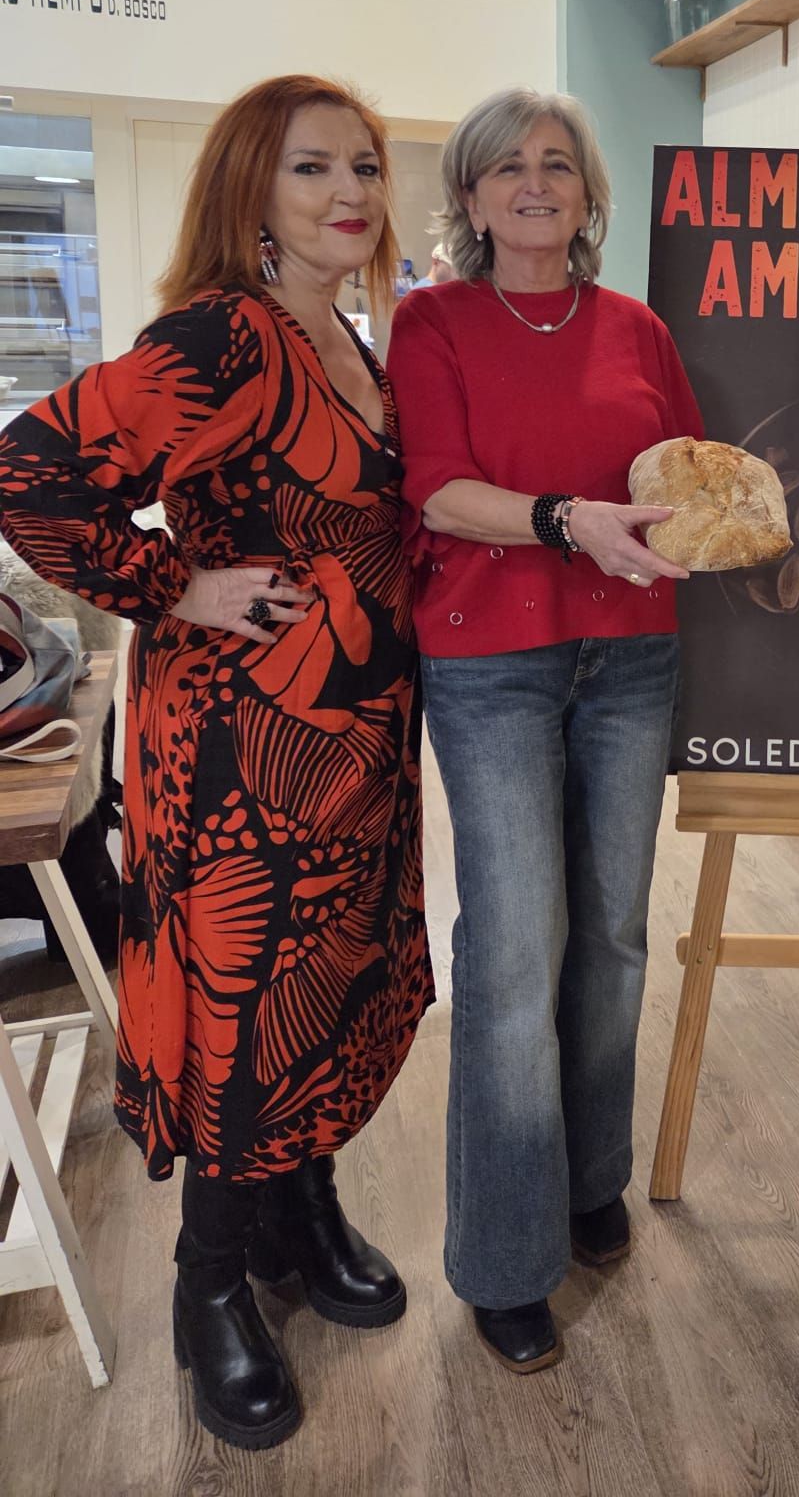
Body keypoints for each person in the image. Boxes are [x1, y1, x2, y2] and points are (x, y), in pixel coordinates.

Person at [0, 75, 434, 1448]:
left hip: (355, 736)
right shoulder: (224, 337)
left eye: (363, 165)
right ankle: (208, 1286)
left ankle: (300, 1215)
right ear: (253, 191)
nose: (350, 193)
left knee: (334, 978)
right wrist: (174, 586)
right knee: (249, 997)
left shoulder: (357, 336)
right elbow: (27, 471)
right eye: (312, 170)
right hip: (242, 739)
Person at [386, 86, 702, 1375]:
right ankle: (509, 1257)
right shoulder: (432, 318)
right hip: (493, 663)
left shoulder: (637, 326)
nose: (534, 184)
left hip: (633, 660)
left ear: (587, 193)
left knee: (615, 938)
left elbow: (683, 474)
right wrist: (573, 520)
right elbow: (439, 493)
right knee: (517, 954)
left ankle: (587, 1180)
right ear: (468, 200)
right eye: (506, 168)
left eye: (557, 165)